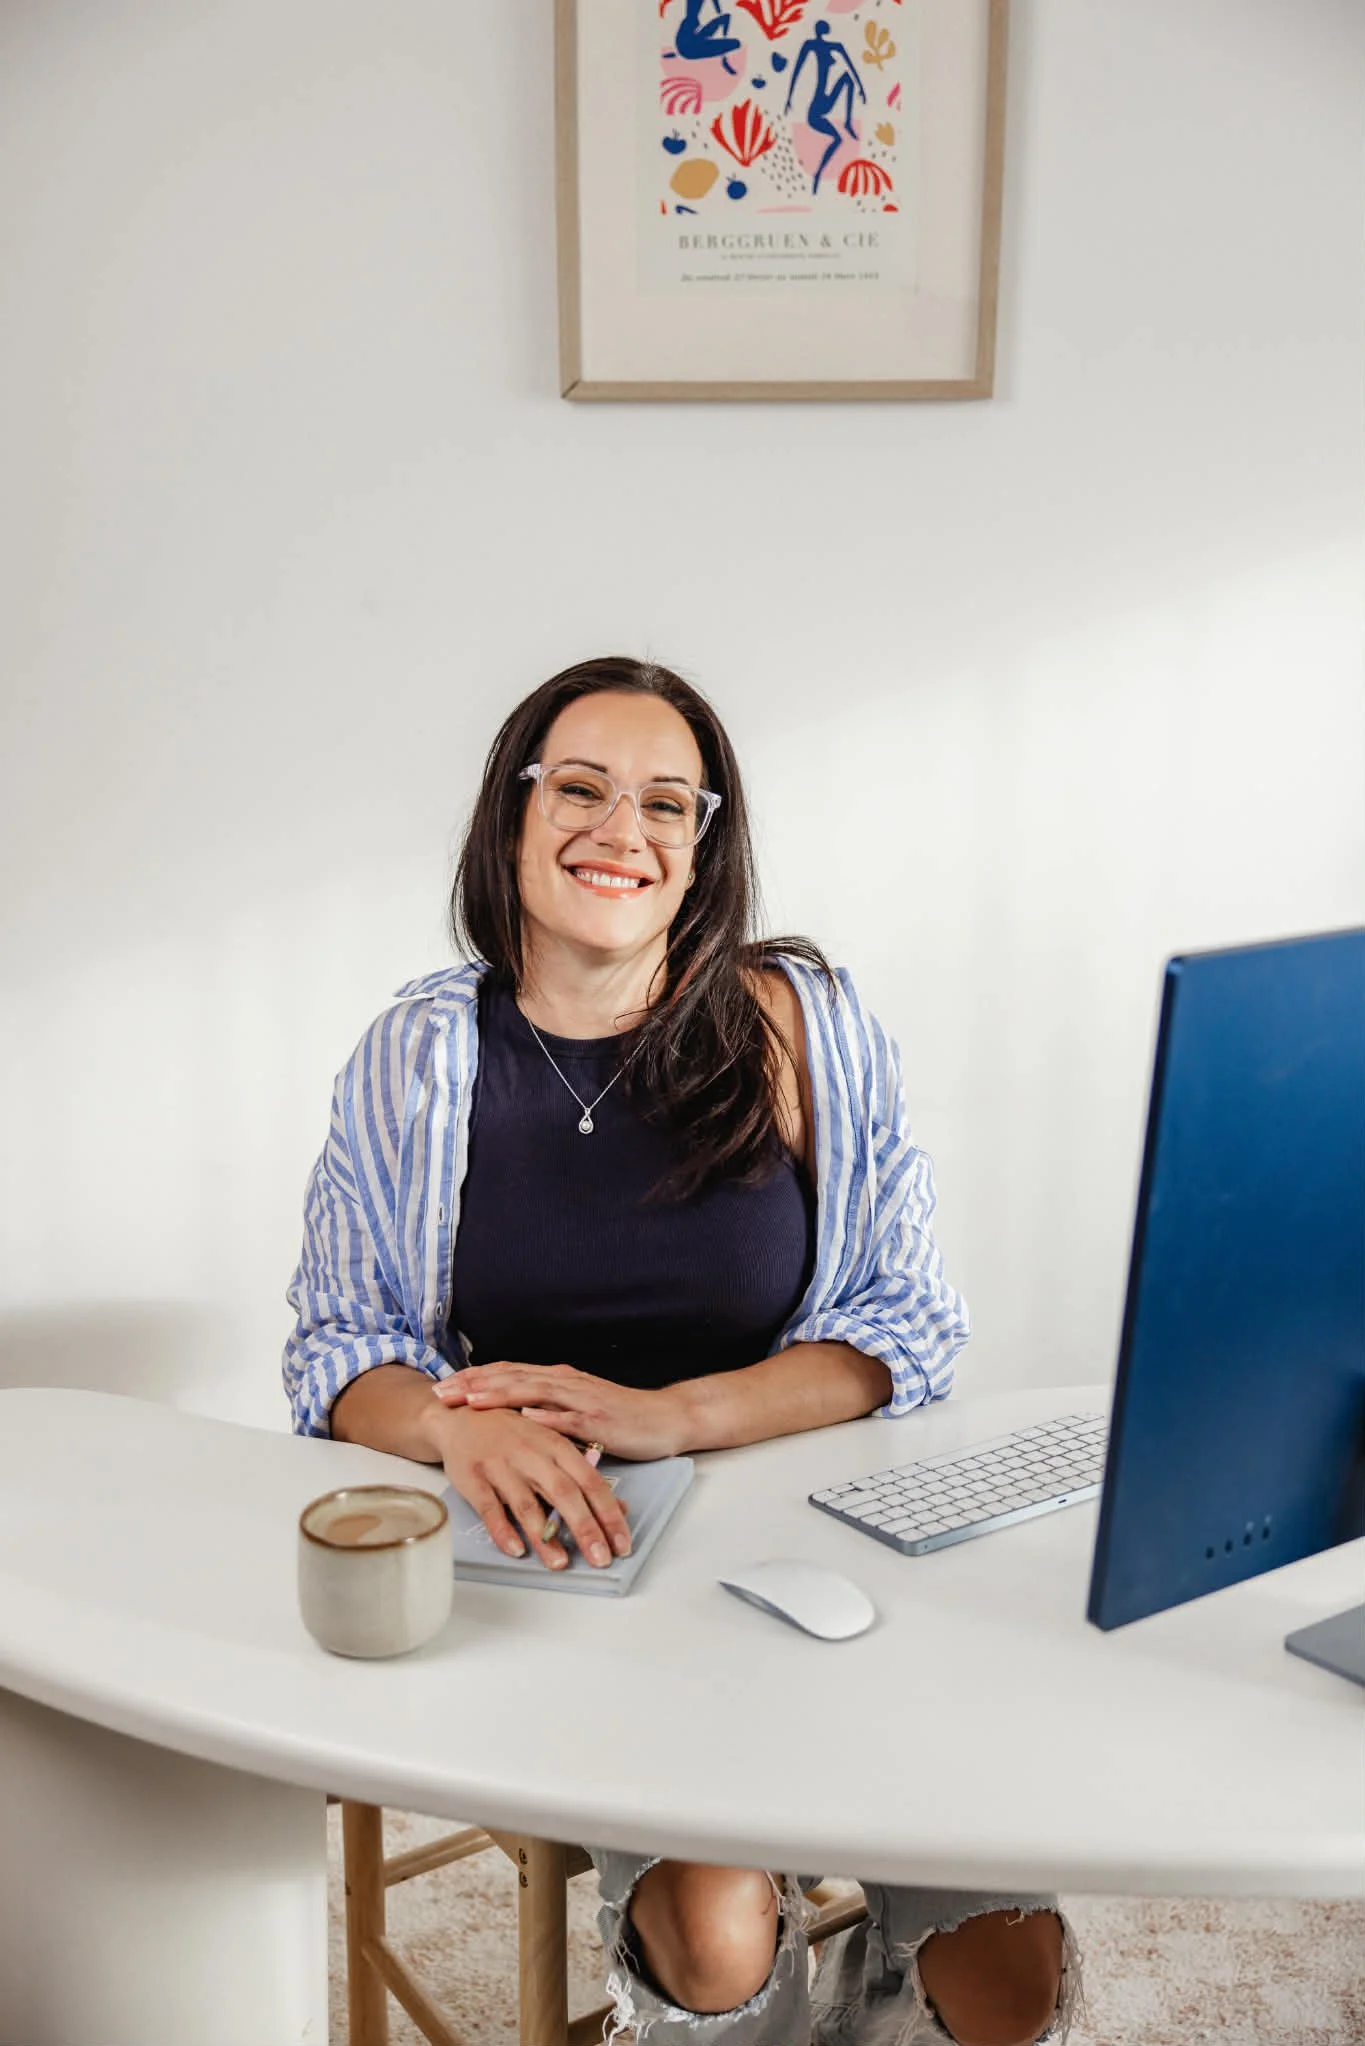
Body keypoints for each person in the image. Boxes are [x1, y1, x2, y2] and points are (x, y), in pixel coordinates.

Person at [283, 656, 1086, 2045]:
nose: (624, 829)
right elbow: (339, 1345)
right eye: (581, 788)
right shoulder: (419, 1055)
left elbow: (903, 1324)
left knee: (1011, 1966)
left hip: (820, 1554)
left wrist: (673, 1412)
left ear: (706, 845)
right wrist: (455, 1425)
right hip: (577, 1575)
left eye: (669, 801)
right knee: (718, 1931)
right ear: (513, 817)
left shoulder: (806, 1026)